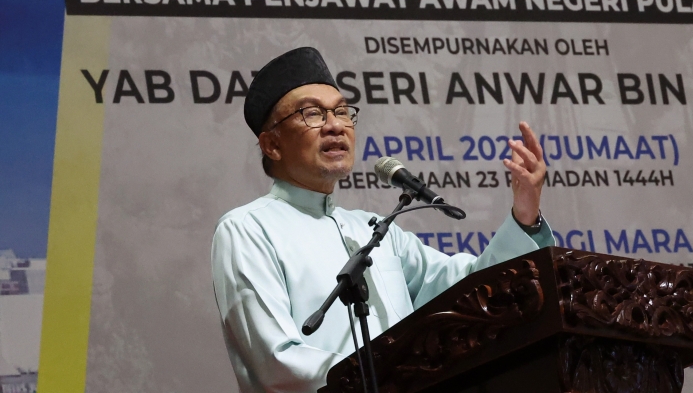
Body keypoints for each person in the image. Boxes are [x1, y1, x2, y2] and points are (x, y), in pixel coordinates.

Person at [211, 47, 553, 393]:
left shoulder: (374, 229)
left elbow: (470, 290)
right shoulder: (247, 229)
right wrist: (387, 374)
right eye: (312, 114)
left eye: (342, 112)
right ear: (271, 144)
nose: (335, 126)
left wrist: (525, 214)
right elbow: (277, 363)